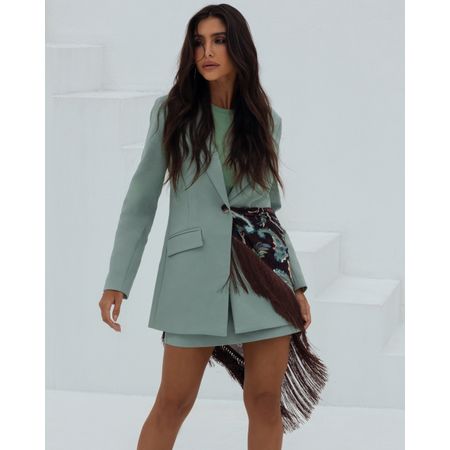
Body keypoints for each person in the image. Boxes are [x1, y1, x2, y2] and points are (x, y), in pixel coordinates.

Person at [98, 4, 328, 450]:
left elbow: (267, 213)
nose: (207, 51)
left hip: (263, 278)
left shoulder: (266, 122)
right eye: (199, 42)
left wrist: (297, 285)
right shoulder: (172, 114)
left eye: (219, 40)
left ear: (239, 48)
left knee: (265, 401)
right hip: (193, 277)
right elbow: (140, 201)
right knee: (172, 403)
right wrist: (117, 281)